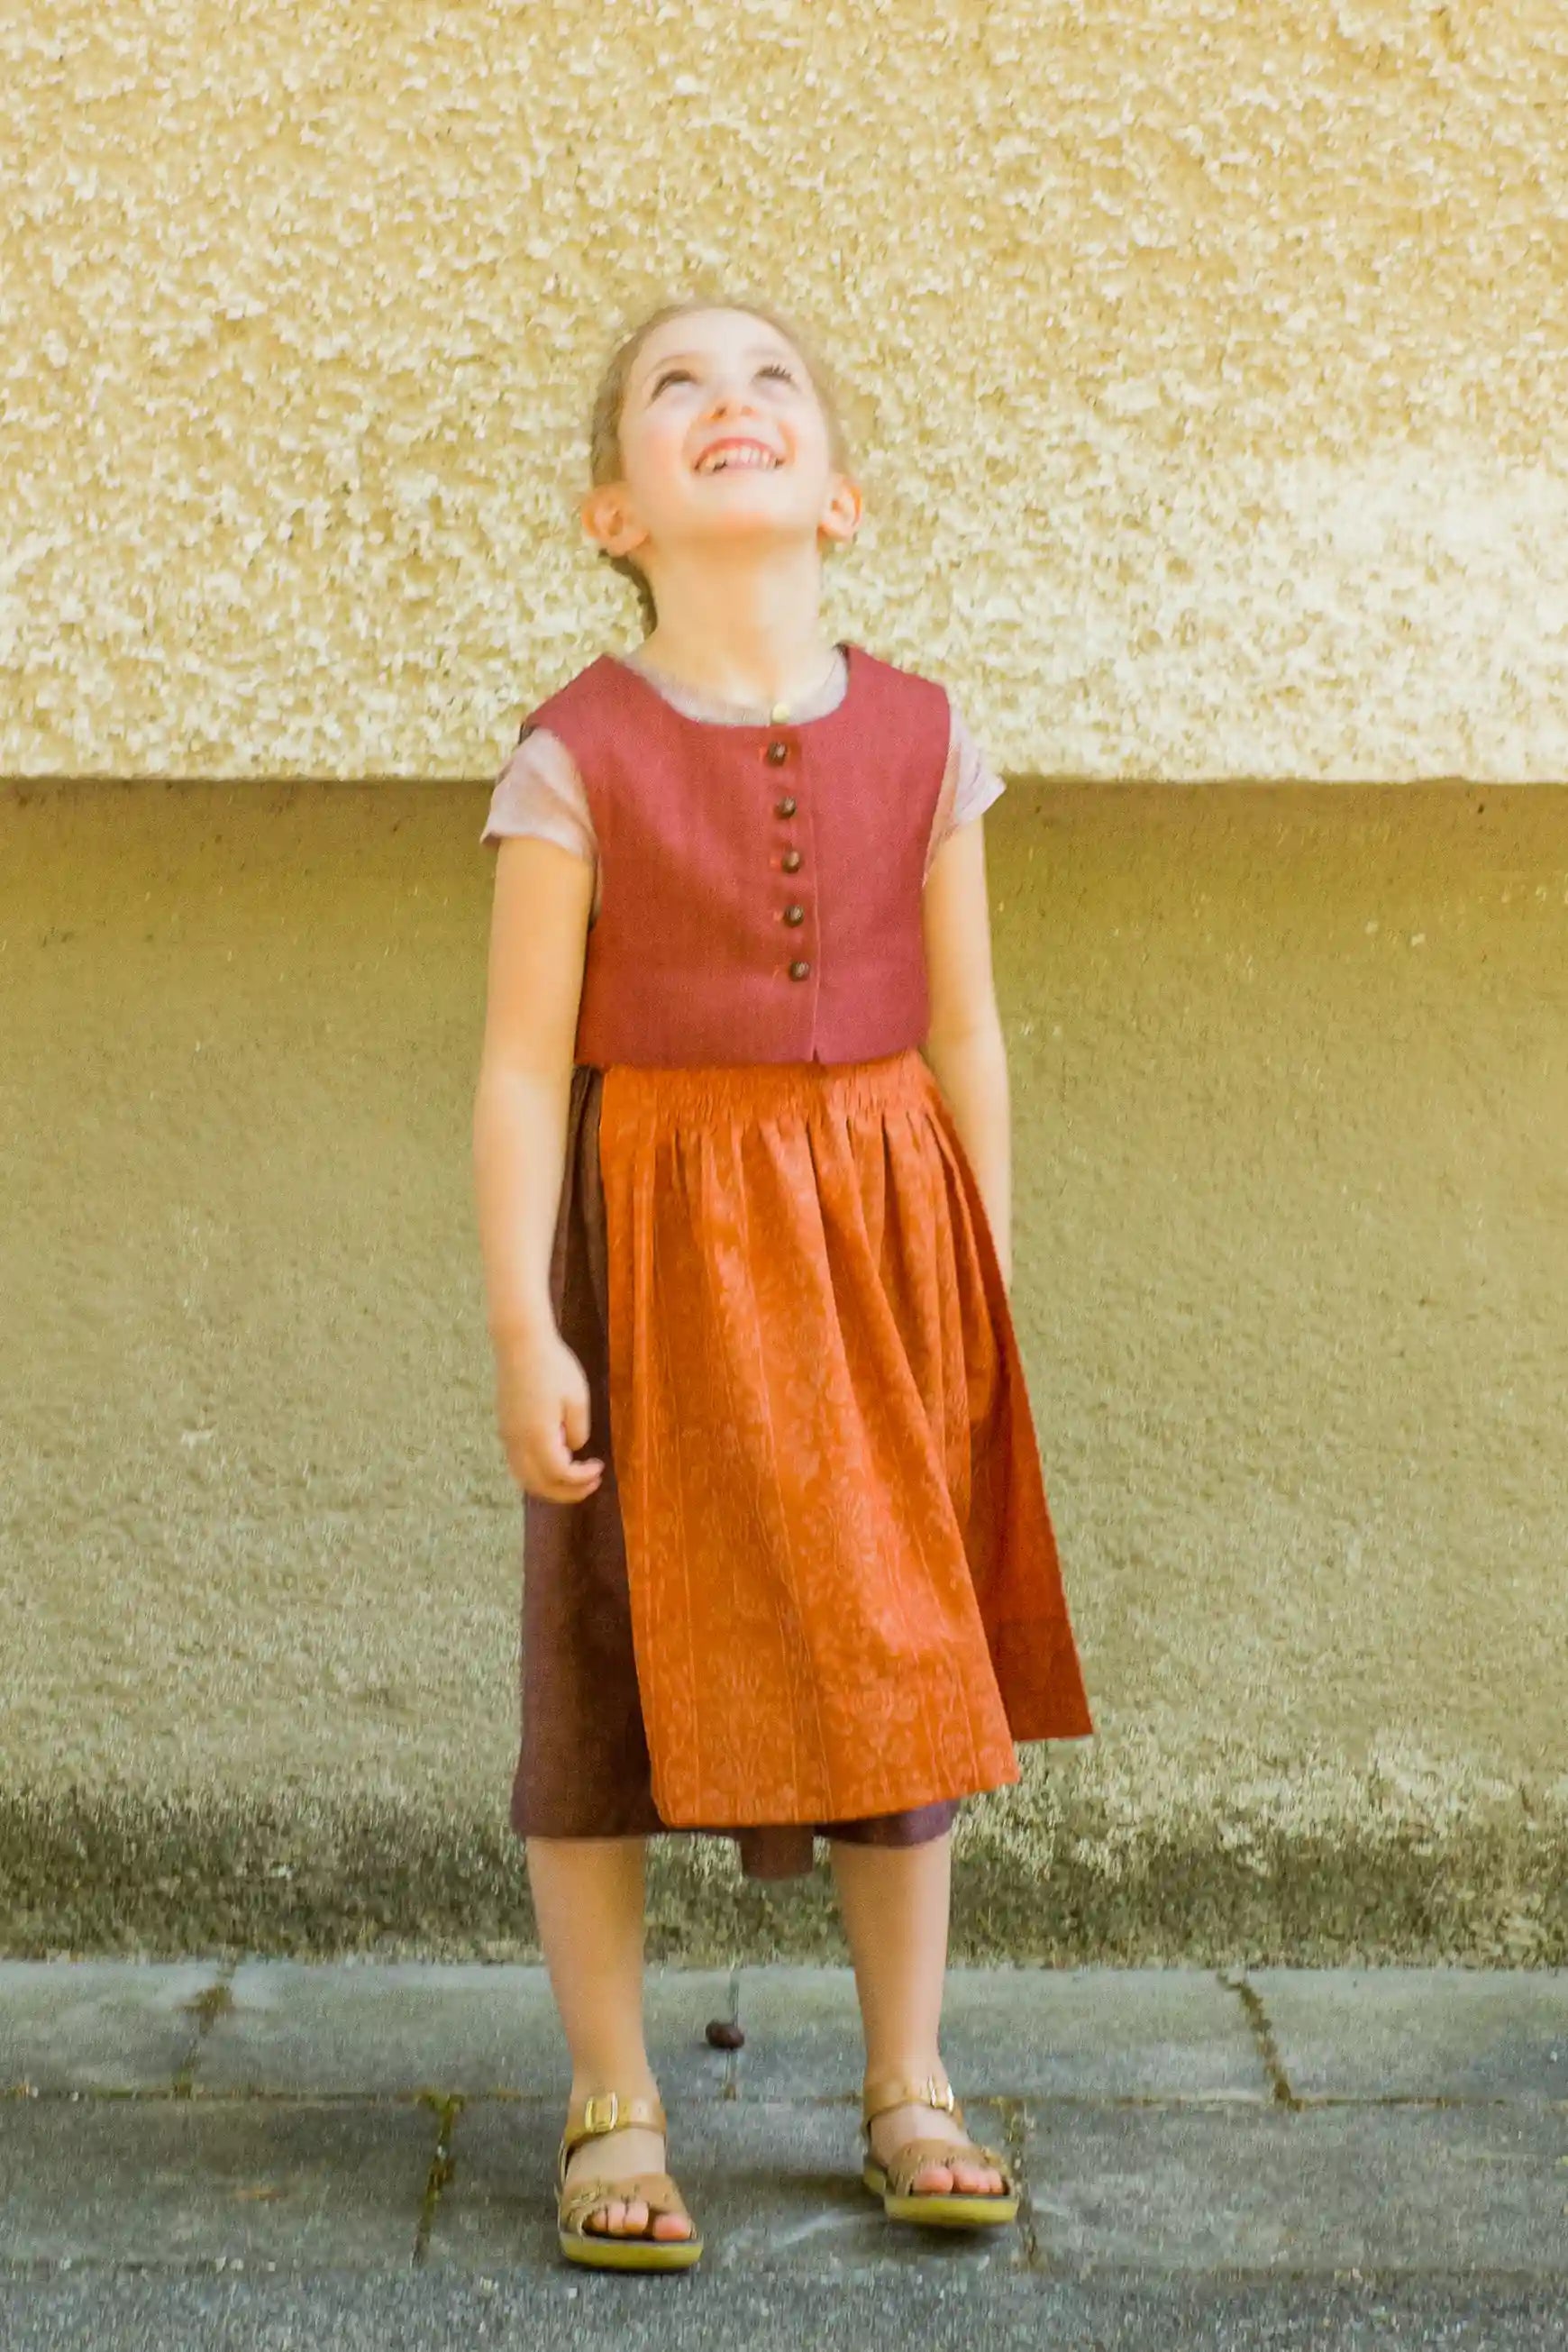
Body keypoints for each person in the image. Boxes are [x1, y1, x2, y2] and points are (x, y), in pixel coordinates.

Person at [472, 294, 1094, 2272]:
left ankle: (908, 2079)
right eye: (676, 388)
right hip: (651, 1236)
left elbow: (975, 1035)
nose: (725, 404)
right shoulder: (572, 756)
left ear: (843, 491)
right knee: (605, 1656)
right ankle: (609, 2097)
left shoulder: (929, 735)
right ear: (612, 512)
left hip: (877, 1232)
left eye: (770, 384)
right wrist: (520, 1321)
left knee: (899, 1655)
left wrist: (977, 1274)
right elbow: (511, 1066)